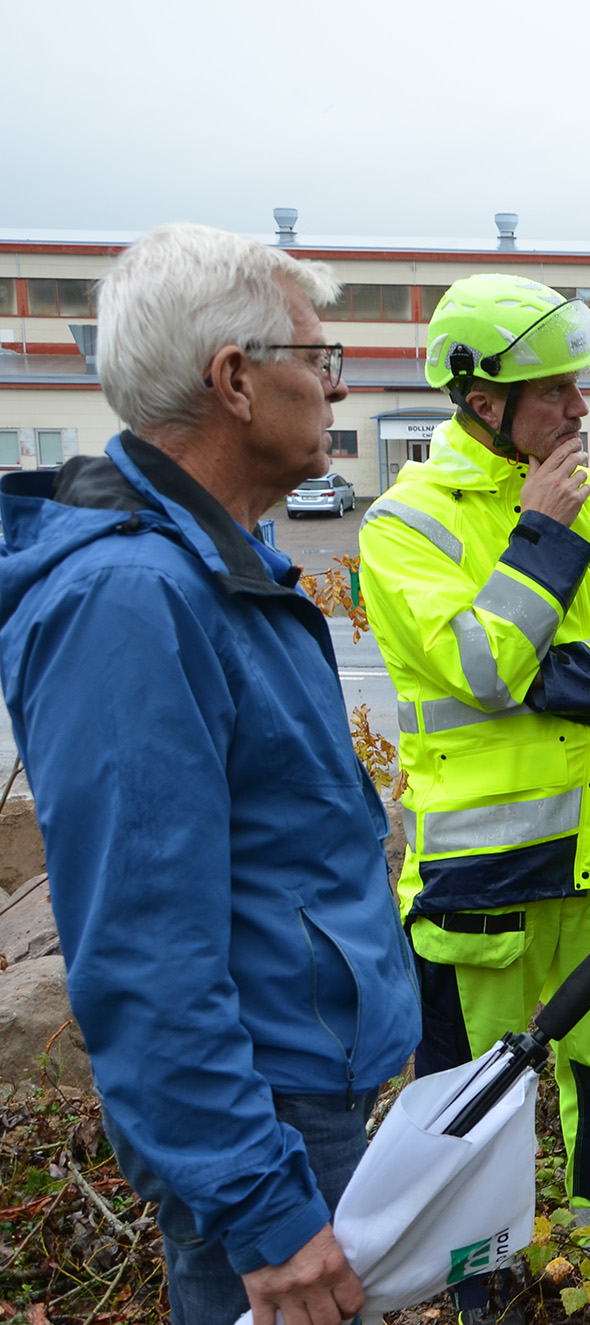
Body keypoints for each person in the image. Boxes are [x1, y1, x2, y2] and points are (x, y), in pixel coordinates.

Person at [0, 223, 422, 1325]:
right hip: (268, 1119)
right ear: (234, 379)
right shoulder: (134, 601)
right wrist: (265, 1212)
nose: (335, 385)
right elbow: (145, 951)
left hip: (300, 1085)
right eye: (317, 358)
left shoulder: (216, 565)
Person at [358, 274, 590, 1320]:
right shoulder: (402, 525)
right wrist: (541, 538)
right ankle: (482, 1294)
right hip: (477, 891)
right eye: (556, 391)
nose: (580, 410)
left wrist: (558, 677)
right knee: (469, 1111)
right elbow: (476, 662)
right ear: (482, 400)